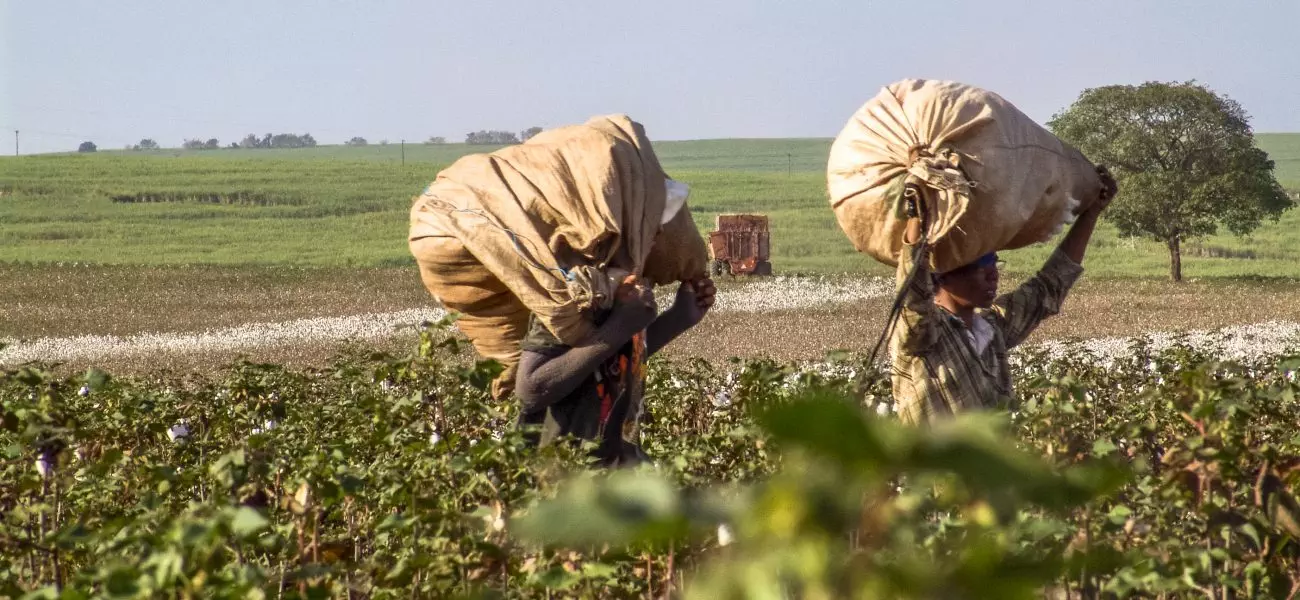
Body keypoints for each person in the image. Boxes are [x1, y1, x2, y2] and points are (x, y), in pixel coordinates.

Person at [891, 167, 1118, 425]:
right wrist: (917, 212)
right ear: (944, 273)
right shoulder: (923, 335)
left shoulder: (992, 327)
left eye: (995, 263)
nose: (993, 275)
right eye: (982, 264)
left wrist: (1091, 213)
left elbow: (1048, 287)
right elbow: (912, 293)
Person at [515, 276, 717, 467]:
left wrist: (680, 316)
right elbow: (530, 388)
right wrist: (621, 325)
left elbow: (620, 358)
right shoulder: (566, 294)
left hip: (617, 471)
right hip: (562, 481)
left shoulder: (627, 290)